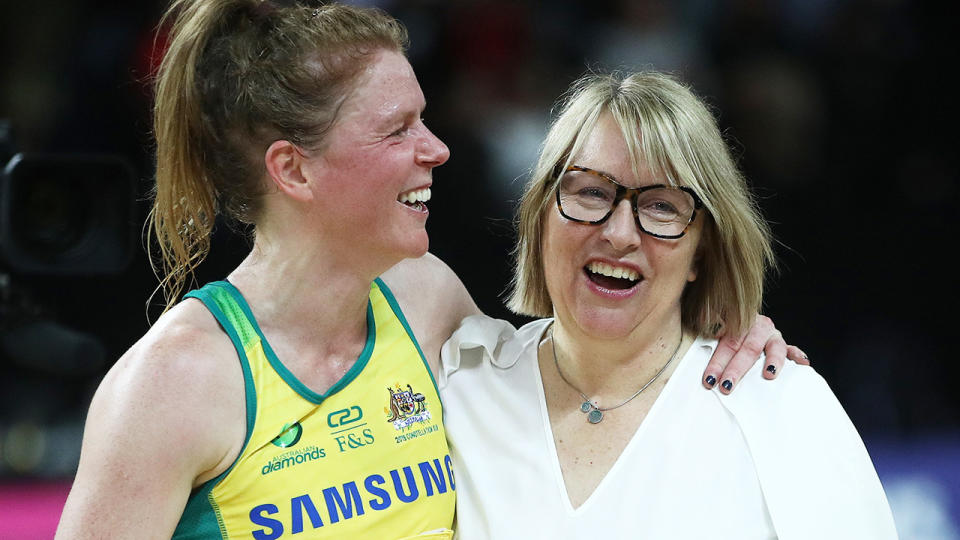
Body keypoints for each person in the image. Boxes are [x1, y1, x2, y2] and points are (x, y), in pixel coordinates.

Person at [55, 2, 799, 539]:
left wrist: (718, 332)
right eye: (398, 129)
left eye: (425, 118)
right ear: (294, 169)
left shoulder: (425, 301)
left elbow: (585, 381)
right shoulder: (171, 385)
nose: (437, 149)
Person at [439, 71, 897, 539]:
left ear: (702, 251)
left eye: (661, 206)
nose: (618, 234)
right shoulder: (457, 380)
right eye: (591, 192)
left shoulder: (784, 409)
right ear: (540, 216)